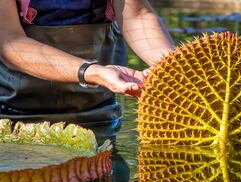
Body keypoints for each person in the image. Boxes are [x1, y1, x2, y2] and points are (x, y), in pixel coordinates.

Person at [0, 0, 174, 126]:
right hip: (14, 118)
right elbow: (9, 40)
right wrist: (92, 72)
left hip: (99, 116)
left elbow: (137, 16)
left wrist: (174, 67)